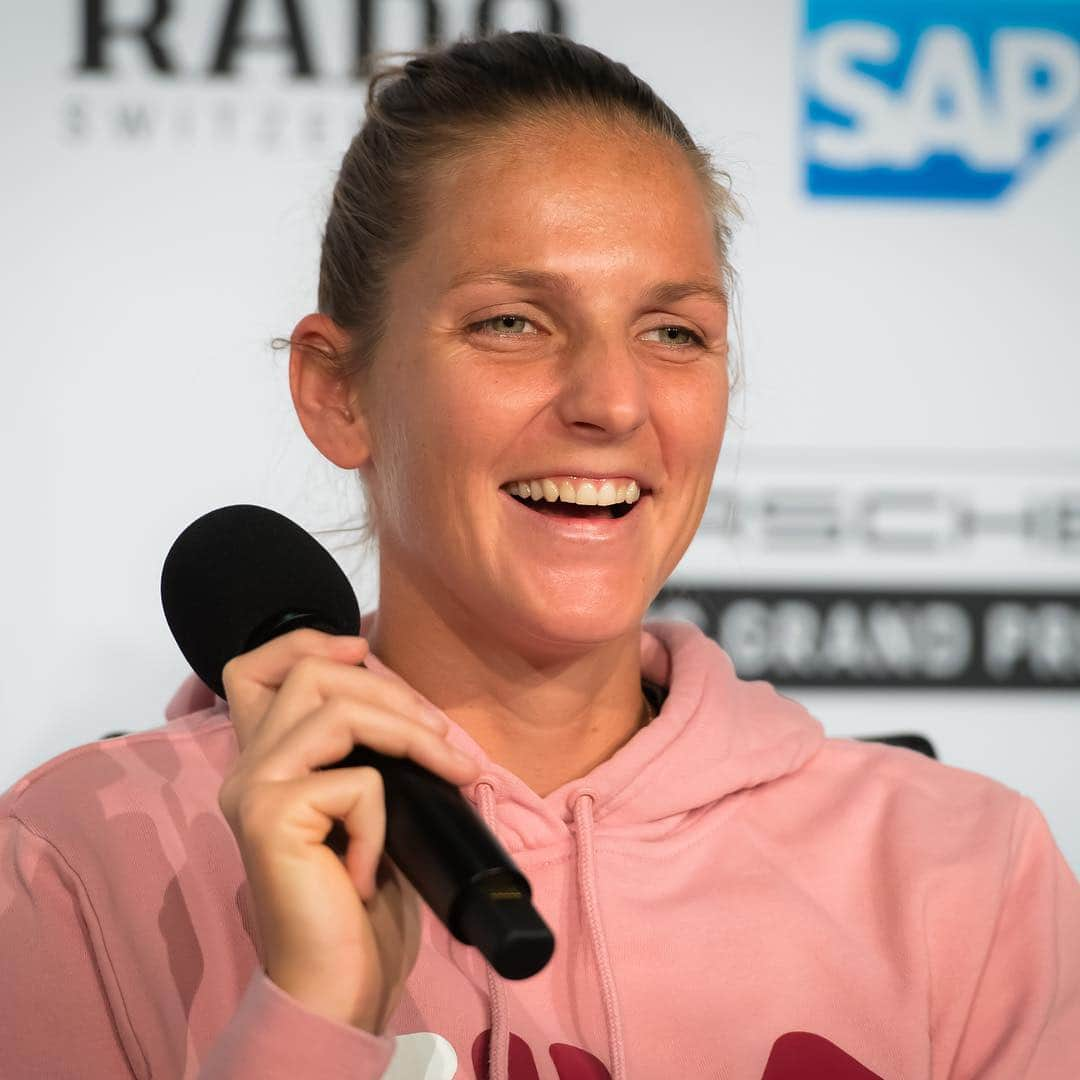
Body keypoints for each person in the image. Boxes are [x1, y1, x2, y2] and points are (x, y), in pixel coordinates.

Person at [1, 30, 1078, 1080]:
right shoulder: (82, 857)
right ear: (338, 392)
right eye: (513, 323)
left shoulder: (965, 868)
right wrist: (312, 1025)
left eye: (672, 332)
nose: (612, 402)